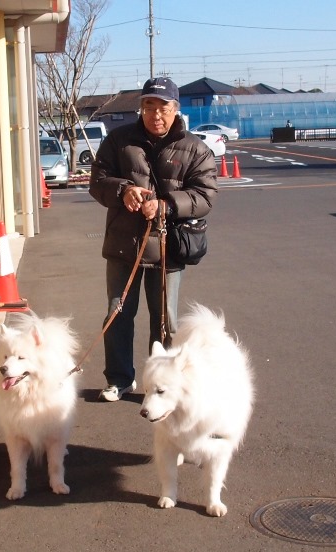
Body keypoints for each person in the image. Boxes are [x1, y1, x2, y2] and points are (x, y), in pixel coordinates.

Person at [89, 77, 218, 401]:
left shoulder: (196, 148)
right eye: (149, 107)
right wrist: (123, 190)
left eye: (163, 107)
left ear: (175, 110)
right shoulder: (119, 141)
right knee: (117, 313)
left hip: (168, 246)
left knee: (165, 320)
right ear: (141, 108)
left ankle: (160, 383)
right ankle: (119, 379)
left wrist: (167, 204)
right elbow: (98, 180)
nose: (155, 114)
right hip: (123, 245)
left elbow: (205, 195)